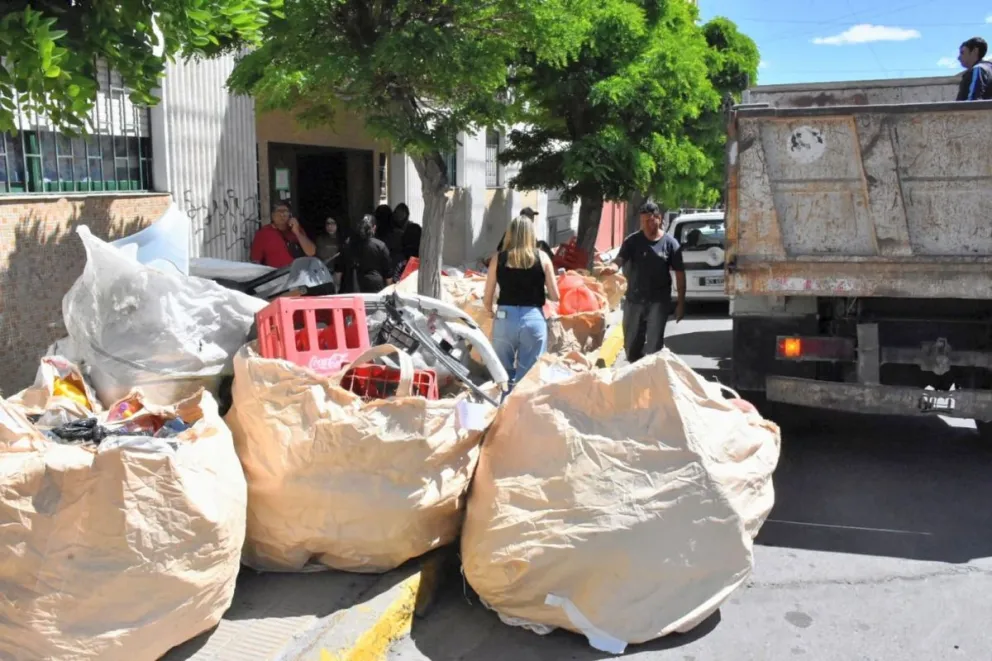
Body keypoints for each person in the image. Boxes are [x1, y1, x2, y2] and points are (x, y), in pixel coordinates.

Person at [603, 202, 686, 364]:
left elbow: (680, 274)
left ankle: (651, 379)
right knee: (631, 346)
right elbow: (620, 258)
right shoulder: (632, 241)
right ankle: (636, 373)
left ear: (659, 219)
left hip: (659, 302)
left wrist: (681, 303)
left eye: (650, 220)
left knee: (654, 347)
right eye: (644, 221)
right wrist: (612, 267)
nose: (647, 225)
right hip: (634, 300)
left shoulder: (670, 244)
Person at [483, 215, 561, 387]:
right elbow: (556, 296)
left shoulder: (499, 258)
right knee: (530, 379)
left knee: (502, 377)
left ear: (510, 233)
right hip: (533, 318)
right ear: (531, 234)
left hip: (505, 318)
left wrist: (490, 312)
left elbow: (487, 297)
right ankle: (522, 411)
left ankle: (504, 408)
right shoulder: (542, 257)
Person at [336, 214, 393, 293]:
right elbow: (388, 274)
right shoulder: (380, 246)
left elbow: (339, 270)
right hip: (375, 288)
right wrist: (389, 292)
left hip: (352, 287)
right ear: (374, 228)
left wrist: (337, 289)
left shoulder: (348, 243)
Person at [250, 201, 317, 268]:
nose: (282, 215)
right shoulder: (263, 233)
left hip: (297, 274)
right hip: (276, 275)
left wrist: (297, 232)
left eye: (285, 211)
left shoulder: (296, 229)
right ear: (273, 215)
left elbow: (311, 252)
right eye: (279, 211)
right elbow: (256, 261)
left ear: (290, 215)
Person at [956, 37, 992, 101]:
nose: (959, 57)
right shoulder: (988, 68)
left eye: (962, 53)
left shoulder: (978, 69)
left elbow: (972, 102)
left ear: (975, 51)